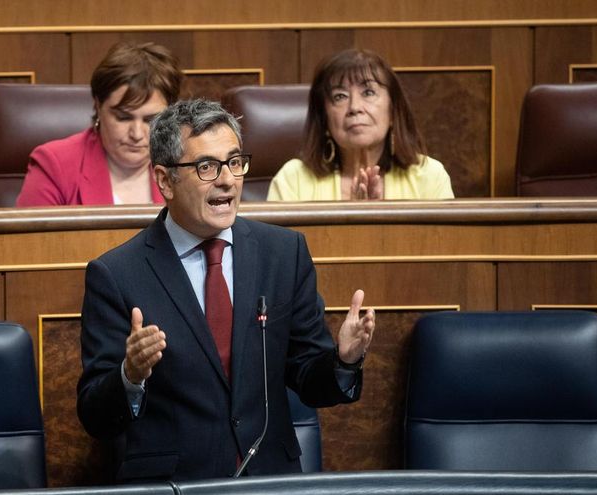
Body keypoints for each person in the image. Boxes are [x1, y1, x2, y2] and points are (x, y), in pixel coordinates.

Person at [77, 99, 376, 482]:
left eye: (235, 162)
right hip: (175, 486)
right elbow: (95, 416)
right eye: (207, 167)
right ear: (165, 181)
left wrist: (344, 360)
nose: (227, 180)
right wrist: (130, 375)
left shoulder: (284, 254)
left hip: (271, 482)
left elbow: (309, 379)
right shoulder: (116, 275)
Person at [267, 48, 454, 201]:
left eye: (368, 92)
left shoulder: (428, 175)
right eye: (340, 96)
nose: (355, 107)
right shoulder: (293, 179)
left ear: (393, 111)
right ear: (324, 118)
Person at [16, 41, 183, 206]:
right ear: (98, 106)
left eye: (150, 120)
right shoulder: (54, 165)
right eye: (123, 118)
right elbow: (30, 234)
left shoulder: (186, 165)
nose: (137, 134)